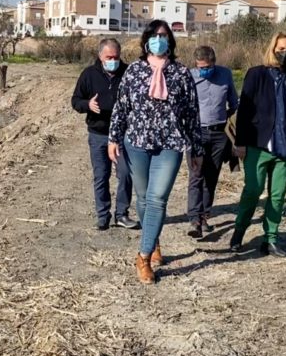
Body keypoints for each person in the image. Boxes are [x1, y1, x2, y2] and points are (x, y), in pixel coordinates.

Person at [109, 20, 203, 285]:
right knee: (142, 198)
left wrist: (196, 147)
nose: (158, 40)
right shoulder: (134, 71)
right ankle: (154, 239)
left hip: (170, 144)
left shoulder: (181, 73)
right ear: (146, 40)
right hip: (136, 142)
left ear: (170, 41)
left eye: (163, 36)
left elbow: (192, 114)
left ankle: (143, 256)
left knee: (157, 198)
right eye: (154, 35)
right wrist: (113, 138)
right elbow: (121, 106)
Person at [229, 31, 286, 258]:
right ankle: (238, 233)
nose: (285, 53)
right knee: (252, 191)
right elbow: (244, 111)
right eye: (281, 49)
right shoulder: (256, 74)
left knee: (278, 195)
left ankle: (270, 239)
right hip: (258, 144)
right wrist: (240, 142)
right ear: (272, 50)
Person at [71, 38, 137, 231]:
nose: (113, 60)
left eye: (116, 57)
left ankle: (122, 214)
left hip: (123, 135)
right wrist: (87, 105)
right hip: (98, 134)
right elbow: (75, 100)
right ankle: (102, 215)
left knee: (125, 174)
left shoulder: (128, 73)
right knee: (101, 176)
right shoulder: (89, 75)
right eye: (109, 57)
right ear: (100, 56)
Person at [186, 45, 238, 238]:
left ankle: (205, 215)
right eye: (200, 67)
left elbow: (234, 103)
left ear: (214, 63)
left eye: (207, 66)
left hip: (219, 133)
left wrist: (228, 122)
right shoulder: (189, 76)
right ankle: (194, 219)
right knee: (196, 175)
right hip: (197, 133)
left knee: (211, 176)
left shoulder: (225, 75)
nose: (204, 70)